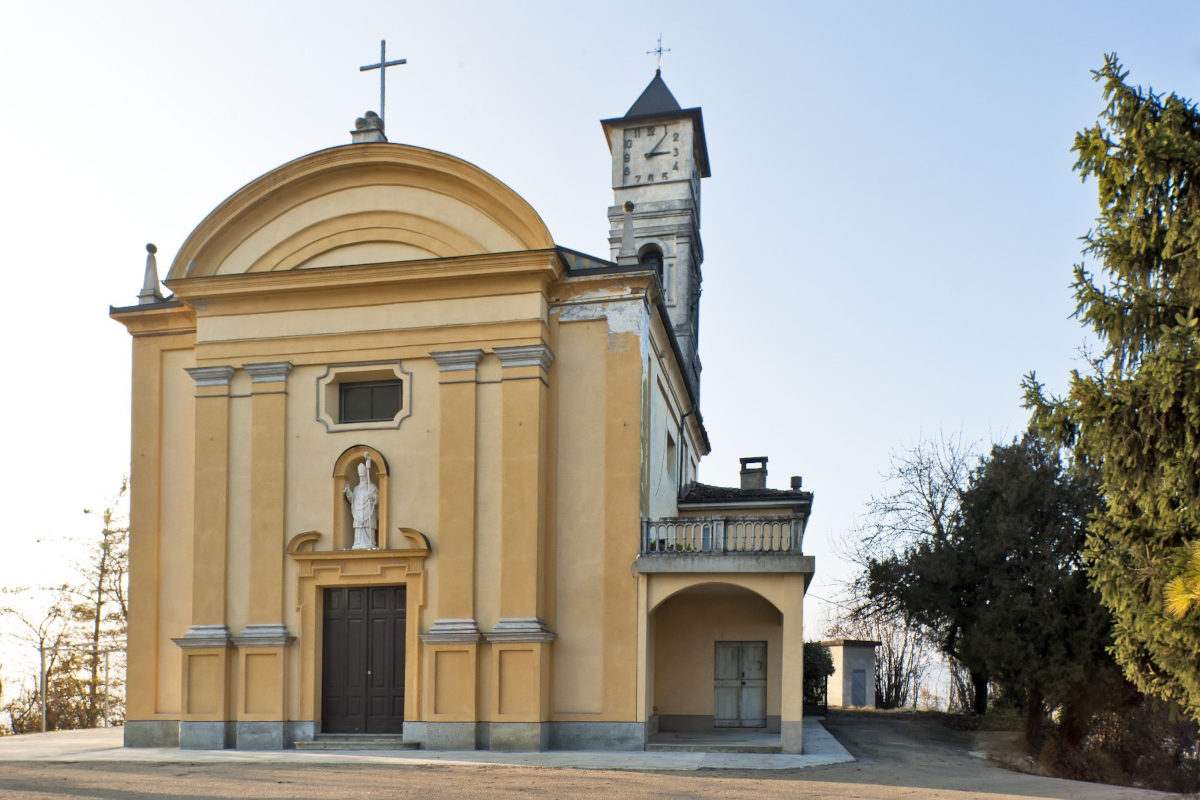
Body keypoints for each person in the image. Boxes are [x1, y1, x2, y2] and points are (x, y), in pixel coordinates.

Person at [344, 454, 379, 549]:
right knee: (359, 531)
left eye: (363, 476)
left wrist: (371, 496)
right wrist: (349, 493)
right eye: (361, 477)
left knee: (368, 529)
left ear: (366, 475)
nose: (362, 478)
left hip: (368, 514)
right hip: (359, 514)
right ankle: (358, 543)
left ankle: (370, 542)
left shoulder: (371, 487)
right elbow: (353, 501)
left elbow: (377, 499)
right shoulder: (356, 488)